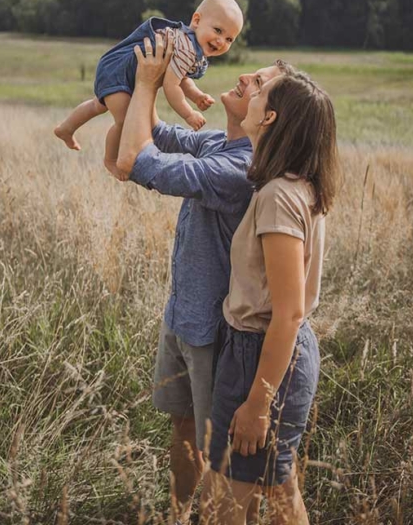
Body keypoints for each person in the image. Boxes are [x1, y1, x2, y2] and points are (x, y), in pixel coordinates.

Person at [115, 32, 295, 525]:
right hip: (181, 314)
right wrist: (154, 73)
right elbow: (151, 126)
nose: (242, 76)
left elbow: (136, 162)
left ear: (272, 113)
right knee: (183, 429)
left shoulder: (239, 169)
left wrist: (151, 82)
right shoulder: (220, 140)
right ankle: (178, 515)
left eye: (257, 82)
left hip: (215, 333)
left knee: (221, 457)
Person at [200, 68, 340, 524]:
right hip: (272, 353)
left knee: (228, 499)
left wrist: (258, 404)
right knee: (277, 487)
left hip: (262, 354)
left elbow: (289, 313)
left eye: (259, 92)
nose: (251, 91)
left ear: (271, 116)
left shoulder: (279, 195)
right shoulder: (297, 184)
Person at [54, 0, 243, 175]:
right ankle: (111, 160)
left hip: (117, 67)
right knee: (124, 121)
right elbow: (172, 86)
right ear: (196, 20)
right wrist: (189, 113)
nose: (221, 41)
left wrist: (197, 95)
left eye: (229, 39)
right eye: (218, 30)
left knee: (98, 105)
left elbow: (181, 77)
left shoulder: (188, 44)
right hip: (122, 72)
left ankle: (66, 128)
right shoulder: (187, 48)